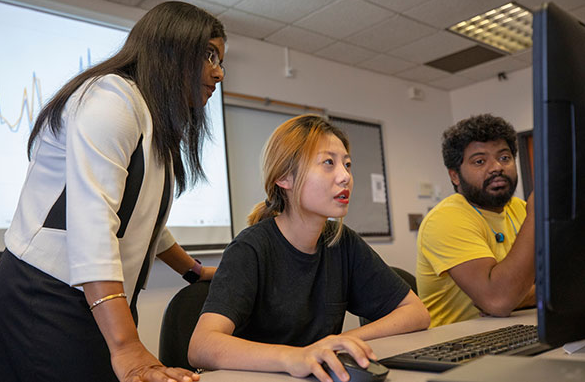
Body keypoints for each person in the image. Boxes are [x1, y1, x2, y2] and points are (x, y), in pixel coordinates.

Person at [0, 2, 226, 382]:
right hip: (48, 294)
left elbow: (139, 222)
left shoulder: (151, 117)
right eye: (209, 55)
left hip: (100, 293)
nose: (218, 72)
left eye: (221, 60)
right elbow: (92, 221)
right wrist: (125, 346)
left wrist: (193, 271)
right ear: (171, 48)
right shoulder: (112, 99)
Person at [188, 115, 430, 382]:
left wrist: (335, 342)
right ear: (284, 177)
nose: (345, 176)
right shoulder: (251, 248)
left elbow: (415, 312)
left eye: (347, 165)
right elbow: (201, 346)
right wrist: (294, 356)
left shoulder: (341, 241)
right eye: (329, 163)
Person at [416, 114, 535, 328]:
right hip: (459, 347)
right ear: (454, 176)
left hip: (514, 330)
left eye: (505, 158)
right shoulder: (446, 219)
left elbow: (566, 283)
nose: (496, 167)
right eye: (480, 161)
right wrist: (538, 213)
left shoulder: (519, 209)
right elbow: (498, 300)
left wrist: (519, 294)